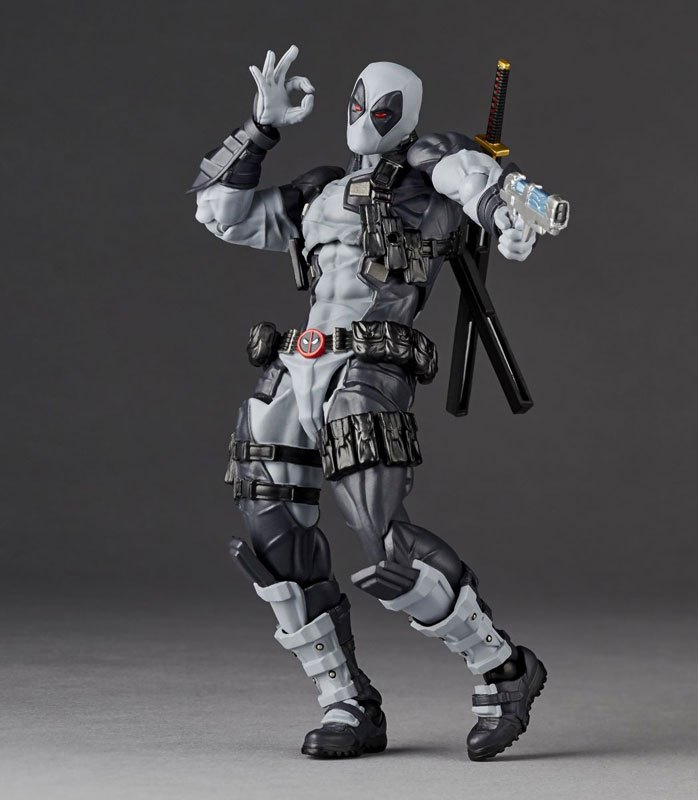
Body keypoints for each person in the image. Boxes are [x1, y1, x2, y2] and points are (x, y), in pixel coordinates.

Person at [190, 45, 545, 761]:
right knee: (271, 534)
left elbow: (476, 181)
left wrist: (508, 213)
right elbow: (219, 212)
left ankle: (503, 667)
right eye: (358, 103)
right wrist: (260, 128)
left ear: (405, 116)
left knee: (385, 544)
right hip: (296, 362)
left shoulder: (426, 170)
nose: (365, 116)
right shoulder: (319, 190)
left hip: (369, 366)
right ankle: (346, 701)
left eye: (381, 107)